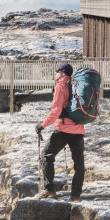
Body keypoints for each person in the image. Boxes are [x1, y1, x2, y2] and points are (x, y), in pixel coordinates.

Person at [36, 63, 85, 202]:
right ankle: (76, 196)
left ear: (62, 73)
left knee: (46, 156)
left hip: (63, 129)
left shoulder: (61, 86)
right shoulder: (78, 85)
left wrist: (42, 125)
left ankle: (49, 190)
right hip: (78, 129)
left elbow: (56, 110)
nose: (55, 74)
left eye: (57, 71)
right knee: (79, 163)